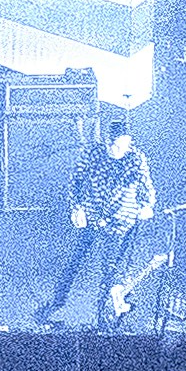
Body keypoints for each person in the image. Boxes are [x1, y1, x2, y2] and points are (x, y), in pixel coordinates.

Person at [33, 118, 153, 324]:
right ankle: (56, 304)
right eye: (113, 145)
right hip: (94, 214)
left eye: (121, 145)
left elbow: (145, 184)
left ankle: (105, 315)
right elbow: (77, 180)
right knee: (76, 259)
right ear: (107, 142)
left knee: (111, 265)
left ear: (127, 142)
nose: (117, 150)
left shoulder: (135, 158)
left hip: (121, 218)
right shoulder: (93, 153)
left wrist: (146, 205)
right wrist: (76, 207)